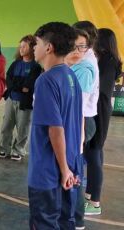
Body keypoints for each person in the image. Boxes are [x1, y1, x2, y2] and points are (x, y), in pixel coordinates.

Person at [28, 22, 82, 229]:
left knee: (44, 223)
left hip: (48, 172)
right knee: (65, 221)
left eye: (37, 43)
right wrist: (70, 168)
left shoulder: (46, 80)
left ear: (49, 47)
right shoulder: (71, 76)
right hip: (70, 165)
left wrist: (63, 169)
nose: (34, 47)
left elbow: (55, 129)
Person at [84, 28, 122, 216]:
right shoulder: (106, 60)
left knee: (94, 153)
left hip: (99, 110)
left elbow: (101, 91)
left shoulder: (108, 61)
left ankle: (95, 202)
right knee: (94, 154)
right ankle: (90, 193)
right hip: (98, 108)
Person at [65, 28, 97, 230]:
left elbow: (79, 108)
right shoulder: (72, 65)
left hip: (79, 125)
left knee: (74, 174)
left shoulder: (83, 69)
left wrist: (77, 142)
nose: (77, 50)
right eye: (73, 45)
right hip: (73, 125)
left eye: (82, 46)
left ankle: (77, 220)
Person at [0, 35, 42, 161]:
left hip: (25, 102)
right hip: (11, 99)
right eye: (20, 46)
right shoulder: (15, 64)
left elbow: (30, 84)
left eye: (24, 46)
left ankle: (18, 150)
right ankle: (4, 149)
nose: (21, 49)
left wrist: (19, 85)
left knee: (23, 127)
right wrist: (20, 86)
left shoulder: (36, 66)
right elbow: (9, 80)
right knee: (6, 125)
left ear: (32, 48)